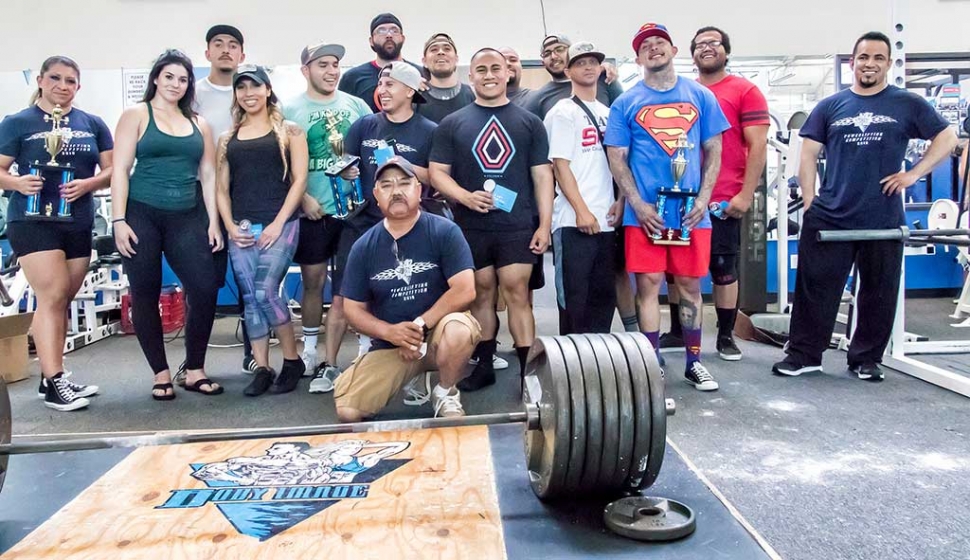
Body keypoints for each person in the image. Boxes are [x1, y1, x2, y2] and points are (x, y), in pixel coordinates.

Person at [772, 31, 957, 381]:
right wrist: (810, 199)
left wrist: (913, 174)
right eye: (863, 57)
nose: (869, 64)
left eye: (877, 58)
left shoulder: (906, 103)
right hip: (831, 215)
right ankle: (805, 355)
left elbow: (946, 137)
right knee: (815, 288)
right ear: (853, 61)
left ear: (888, 63)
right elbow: (808, 153)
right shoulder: (831, 106)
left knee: (878, 290)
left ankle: (866, 359)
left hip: (882, 214)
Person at [605, 23, 729, 392]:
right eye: (645, 45)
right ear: (638, 57)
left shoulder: (701, 96)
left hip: (692, 212)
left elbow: (715, 151)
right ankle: (650, 363)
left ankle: (695, 362)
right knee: (649, 285)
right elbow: (617, 157)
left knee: (691, 286)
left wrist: (705, 199)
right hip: (644, 214)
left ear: (674, 50)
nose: (653, 49)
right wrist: (638, 205)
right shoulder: (625, 103)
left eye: (659, 43)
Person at [430, 48, 554, 391]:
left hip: (517, 225)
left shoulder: (530, 122)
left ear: (508, 73)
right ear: (471, 76)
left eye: (495, 68)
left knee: (517, 292)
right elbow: (438, 173)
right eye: (480, 69)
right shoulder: (452, 123)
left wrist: (544, 225)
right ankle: (483, 364)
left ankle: (527, 374)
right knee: (481, 294)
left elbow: (543, 176)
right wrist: (464, 196)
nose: (488, 75)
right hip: (471, 226)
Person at [0, 56, 112, 411]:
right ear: (41, 80)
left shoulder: (92, 123)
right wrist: (17, 182)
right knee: (52, 294)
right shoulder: (17, 122)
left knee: (61, 299)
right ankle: (53, 383)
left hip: (78, 221)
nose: (63, 86)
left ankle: (55, 373)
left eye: (71, 81)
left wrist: (90, 183)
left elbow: (112, 170)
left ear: (79, 86)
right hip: (32, 222)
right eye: (56, 78)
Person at [111, 49, 224, 400]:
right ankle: (160, 373)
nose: (176, 84)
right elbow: (120, 169)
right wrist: (118, 220)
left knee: (204, 287)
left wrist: (214, 222)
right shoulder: (136, 115)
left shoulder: (198, 122)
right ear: (157, 78)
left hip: (187, 213)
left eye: (183, 79)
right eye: (170, 76)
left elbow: (208, 173)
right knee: (145, 291)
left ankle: (195, 370)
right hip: (141, 212)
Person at [334, 156, 480, 421]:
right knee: (348, 410)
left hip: (437, 334)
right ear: (376, 195)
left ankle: (446, 391)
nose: (397, 191)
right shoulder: (363, 246)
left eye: (404, 183)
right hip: (392, 343)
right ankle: (411, 375)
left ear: (419, 189)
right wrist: (390, 332)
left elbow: (465, 290)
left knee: (459, 329)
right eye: (387, 185)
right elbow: (352, 310)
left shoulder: (446, 231)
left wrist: (419, 327)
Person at [327, 62, 438, 396]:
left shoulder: (429, 130)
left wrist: (399, 165)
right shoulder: (364, 125)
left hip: (411, 223)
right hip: (365, 220)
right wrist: (346, 170)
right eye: (380, 83)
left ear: (410, 91)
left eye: (391, 84)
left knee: (411, 287)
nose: (383, 90)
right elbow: (342, 161)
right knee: (345, 294)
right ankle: (330, 365)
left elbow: (436, 177)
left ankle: (416, 363)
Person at [661, 26, 770, 361]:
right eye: (700, 45)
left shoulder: (745, 91)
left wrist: (745, 194)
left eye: (714, 43)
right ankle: (679, 332)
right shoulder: (682, 91)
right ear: (690, 52)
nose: (706, 49)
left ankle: (725, 336)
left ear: (726, 50)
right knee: (675, 270)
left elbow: (758, 146)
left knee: (723, 269)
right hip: (680, 199)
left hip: (722, 199)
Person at [283, 42, 371, 392]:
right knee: (313, 281)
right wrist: (302, 197)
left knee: (358, 284)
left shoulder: (357, 105)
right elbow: (281, 164)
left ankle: (366, 348)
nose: (331, 71)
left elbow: (370, 151)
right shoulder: (290, 109)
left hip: (357, 212)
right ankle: (309, 350)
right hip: (315, 209)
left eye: (335, 64)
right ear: (306, 69)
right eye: (322, 64)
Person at [216, 65, 308, 396]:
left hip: (281, 224)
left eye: (255, 86)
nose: (248, 93)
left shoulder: (290, 131)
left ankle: (292, 360)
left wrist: (278, 222)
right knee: (250, 300)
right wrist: (228, 225)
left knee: (264, 292)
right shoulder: (228, 139)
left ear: (268, 90)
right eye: (241, 88)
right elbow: (221, 189)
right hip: (241, 227)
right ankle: (263, 367)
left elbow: (299, 180)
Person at [189, 23, 256, 379]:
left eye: (233, 45)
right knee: (203, 282)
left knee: (250, 281)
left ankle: (253, 353)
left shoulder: (252, 92)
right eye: (219, 44)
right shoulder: (193, 95)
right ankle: (194, 360)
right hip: (201, 200)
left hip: (246, 197)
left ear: (242, 55)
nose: (226, 50)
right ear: (208, 53)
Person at [544, 41, 617, 334]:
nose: (587, 67)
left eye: (592, 61)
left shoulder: (609, 113)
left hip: (607, 220)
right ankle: (572, 367)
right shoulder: (562, 112)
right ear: (568, 70)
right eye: (580, 62)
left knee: (603, 298)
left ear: (601, 68)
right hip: (573, 222)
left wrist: (621, 201)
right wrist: (582, 211)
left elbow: (618, 164)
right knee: (574, 300)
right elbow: (559, 166)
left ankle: (597, 365)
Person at [525, 34, 624, 121]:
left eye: (559, 49)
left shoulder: (606, 79)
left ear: (572, 52)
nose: (554, 56)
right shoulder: (538, 98)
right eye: (547, 53)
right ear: (543, 63)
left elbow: (625, 117)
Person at [338, 13, 423, 113]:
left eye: (394, 30)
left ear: (403, 38)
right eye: (381, 31)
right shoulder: (352, 77)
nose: (389, 35)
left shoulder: (420, 74)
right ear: (371, 41)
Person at [417, 33, 475, 124]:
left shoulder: (469, 95)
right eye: (434, 49)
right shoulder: (417, 97)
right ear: (424, 61)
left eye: (447, 49)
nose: (440, 52)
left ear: (456, 59)